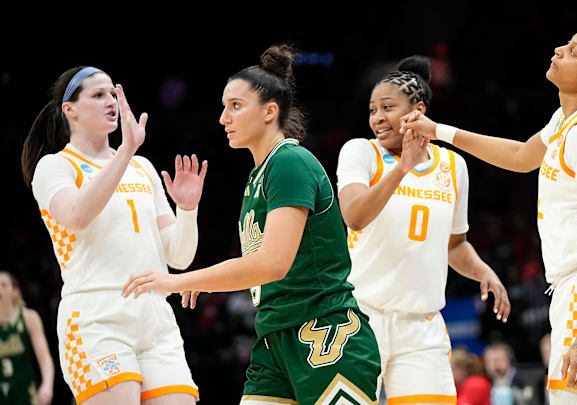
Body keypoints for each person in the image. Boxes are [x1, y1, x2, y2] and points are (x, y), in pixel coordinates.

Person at [401, 24, 577, 404]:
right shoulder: (566, 122)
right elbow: (520, 156)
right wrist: (440, 132)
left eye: (572, 50)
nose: (558, 49)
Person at [122, 45, 382, 405]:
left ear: (269, 112)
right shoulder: (258, 175)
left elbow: (272, 264)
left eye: (235, 106)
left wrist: (183, 279)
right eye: (224, 106)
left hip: (324, 334)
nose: (223, 118)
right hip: (274, 340)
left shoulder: (289, 162)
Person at [22, 66, 206, 404]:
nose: (110, 101)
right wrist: (125, 151)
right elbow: (76, 216)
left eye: (112, 93)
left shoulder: (143, 168)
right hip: (95, 318)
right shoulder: (56, 167)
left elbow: (179, 257)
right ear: (70, 110)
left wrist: (188, 210)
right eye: (98, 95)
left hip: (155, 315)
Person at [336, 55, 510, 405]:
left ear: (418, 109)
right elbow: (354, 216)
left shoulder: (453, 165)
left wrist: (482, 270)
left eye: (387, 107)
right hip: (361, 317)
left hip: (423, 326)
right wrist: (402, 168)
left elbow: (454, 245)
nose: (377, 118)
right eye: (372, 110)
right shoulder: (360, 152)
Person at [0, 271, 54, 405]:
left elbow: (44, 357)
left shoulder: (29, 318)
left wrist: (47, 385)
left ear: (15, 292)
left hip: (24, 390)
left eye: (4, 285)